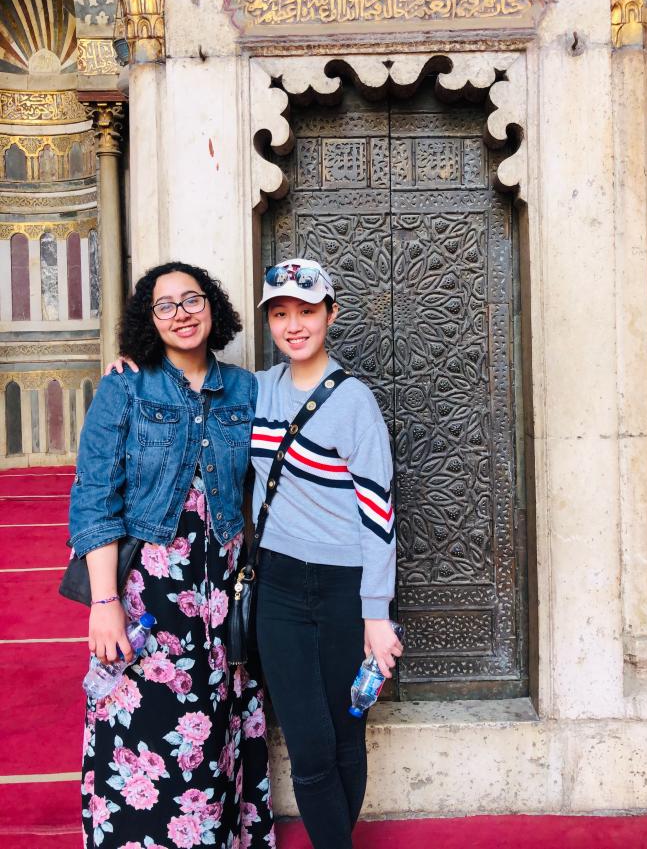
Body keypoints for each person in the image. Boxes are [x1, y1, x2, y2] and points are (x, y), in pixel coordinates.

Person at [69, 261, 274, 849]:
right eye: (166, 305)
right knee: (143, 735)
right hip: (150, 597)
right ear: (148, 320)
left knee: (215, 740)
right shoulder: (125, 387)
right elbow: (94, 500)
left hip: (225, 595)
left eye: (193, 300)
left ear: (213, 309)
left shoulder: (248, 389)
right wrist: (104, 603)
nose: (182, 313)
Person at [252, 258, 402, 849]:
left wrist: (375, 612)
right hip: (279, 587)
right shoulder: (256, 389)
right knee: (308, 745)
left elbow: (378, 510)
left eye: (307, 312)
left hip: (345, 587)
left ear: (330, 315)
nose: (294, 325)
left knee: (345, 735)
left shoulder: (355, 401)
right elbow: (190, 384)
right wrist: (132, 369)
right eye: (281, 313)